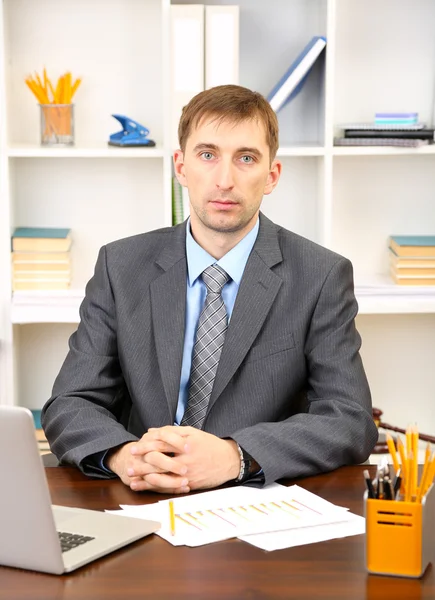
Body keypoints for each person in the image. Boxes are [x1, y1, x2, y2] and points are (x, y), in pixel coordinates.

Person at [42, 84, 378, 494]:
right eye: (207, 155)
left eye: (246, 158)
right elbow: (70, 402)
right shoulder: (121, 266)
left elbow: (349, 418)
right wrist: (123, 456)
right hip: (143, 496)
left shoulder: (321, 275)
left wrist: (234, 456)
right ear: (181, 167)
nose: (224, 180)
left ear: (271, 175)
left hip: (255, 504)